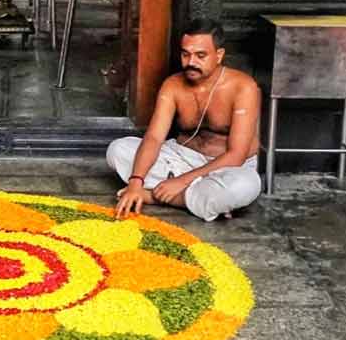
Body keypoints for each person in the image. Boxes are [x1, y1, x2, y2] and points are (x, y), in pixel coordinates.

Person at [107, 19, 262, 221]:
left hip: (226, 168)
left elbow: (236, 155)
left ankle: (154, 196)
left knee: (244, 186)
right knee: (118, 150)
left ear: (219, 55)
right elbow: (154, 138)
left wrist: (181, 181)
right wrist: (135, 182)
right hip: (181, 159)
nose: (191, 62)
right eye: (185, 54)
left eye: (200, 55)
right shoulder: (173, 85)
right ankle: (196, 200)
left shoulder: (243, 87)